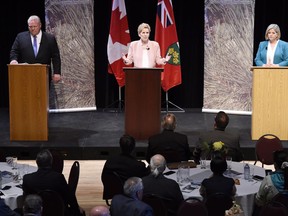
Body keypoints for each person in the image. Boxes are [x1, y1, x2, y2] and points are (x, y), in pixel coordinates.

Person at [22, 149, 85, 216]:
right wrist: (76, 209)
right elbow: (69, 195)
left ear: (37, 162)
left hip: (36, 212)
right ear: (51, 162)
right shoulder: (58, 178)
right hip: (58, 211)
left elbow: (25, 199)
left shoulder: (27, 179)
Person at [10, 15, 61, 83]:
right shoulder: (20, 37)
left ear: (40, 25)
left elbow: (55, 56)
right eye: (30, 27)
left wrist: (57, 72)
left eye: (35, 26)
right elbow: (14, 51)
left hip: (43, 75)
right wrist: (14, 60)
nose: (33, 29)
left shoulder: (50, 39)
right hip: (25, 74)